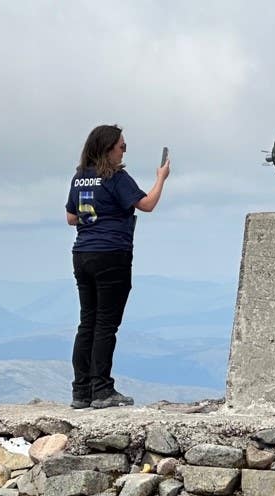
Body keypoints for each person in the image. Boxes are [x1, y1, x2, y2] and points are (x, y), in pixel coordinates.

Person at [65, 124, 170, 410]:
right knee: (106, 324)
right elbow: (146, 204)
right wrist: (161, 178)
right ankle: (102, 390)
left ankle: (80, 391)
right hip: (112, 254)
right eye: (121, 146)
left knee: (87, 322)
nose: (124, 150)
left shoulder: (80, 177)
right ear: (108, 148)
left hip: (82, 254)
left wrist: (95, 214)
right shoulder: (115, 177)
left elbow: (71, 217)